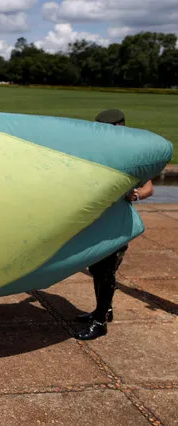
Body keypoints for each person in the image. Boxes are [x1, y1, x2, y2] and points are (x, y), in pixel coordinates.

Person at [75, 109, 154, 340]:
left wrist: (137, 194)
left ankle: (99, 322)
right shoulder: (100, 152)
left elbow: (149, 187)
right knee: (97, 268)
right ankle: (104, 310)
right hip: (100, 221)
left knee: (105, 270)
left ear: (121, 128)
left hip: (118, 224)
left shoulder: (133, 155)